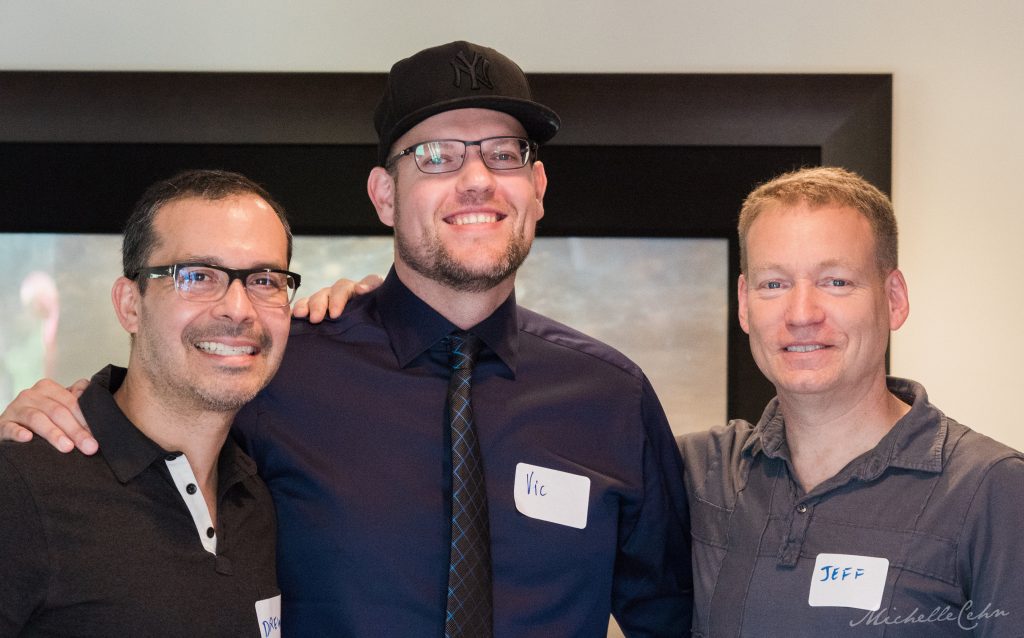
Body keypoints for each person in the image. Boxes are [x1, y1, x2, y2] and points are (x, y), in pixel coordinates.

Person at [0, 42, 691, 636]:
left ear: (537, 185)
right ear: (384, 195)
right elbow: (158, 425)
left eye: (505, 154)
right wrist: (56, 410)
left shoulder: (613, 398)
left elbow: (672, 618)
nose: (477, 180)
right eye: (437, 156)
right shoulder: (280, 366)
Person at [678, 166, 1024, 637]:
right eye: (774, 284)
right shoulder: (699, 473)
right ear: (744, 302)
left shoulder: (991, 489)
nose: (802, 314)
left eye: (836, 281)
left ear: (894, 298)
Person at [0, 170, 298, 636]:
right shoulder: (21, 486)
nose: (239, 309)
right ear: (129, 305)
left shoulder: (259, 498)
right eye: (198, 276)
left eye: (265, 280)